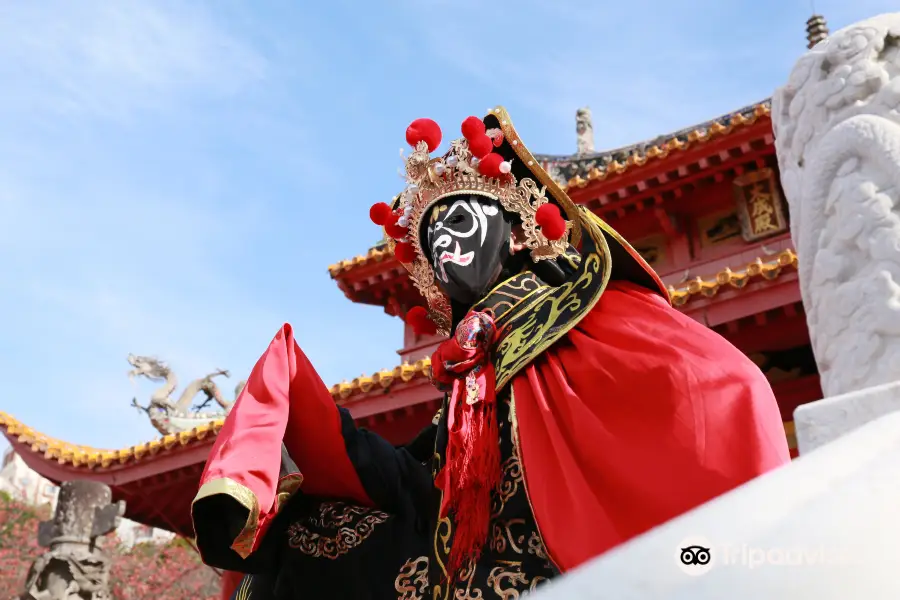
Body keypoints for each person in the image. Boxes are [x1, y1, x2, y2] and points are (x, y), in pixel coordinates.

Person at [192, 107, 791, 600]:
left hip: (566, 558)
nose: (445, 242)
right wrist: (317, 421)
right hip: (466, 562)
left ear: (520, 228)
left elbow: (716, 386)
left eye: (457, 219)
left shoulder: (584, 310)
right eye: (430, 240)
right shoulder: (471, 365)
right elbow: (424, 481)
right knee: (299, 548)